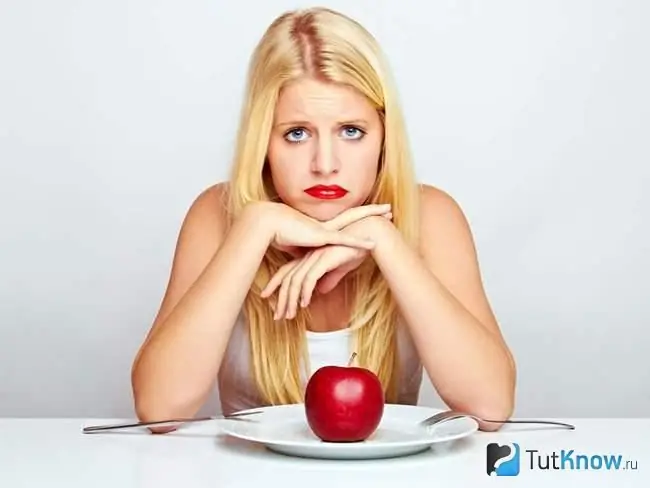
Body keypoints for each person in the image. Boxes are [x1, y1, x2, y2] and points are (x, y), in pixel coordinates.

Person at [130, 6, 516, 433]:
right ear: (264, 140)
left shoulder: (432, 217)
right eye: (296, 133)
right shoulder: (217, 217)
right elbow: (159, 410)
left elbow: (491, 407)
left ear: (384, 136)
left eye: (351, 131)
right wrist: (254, 227)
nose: (325, 164)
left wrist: (381, 241)